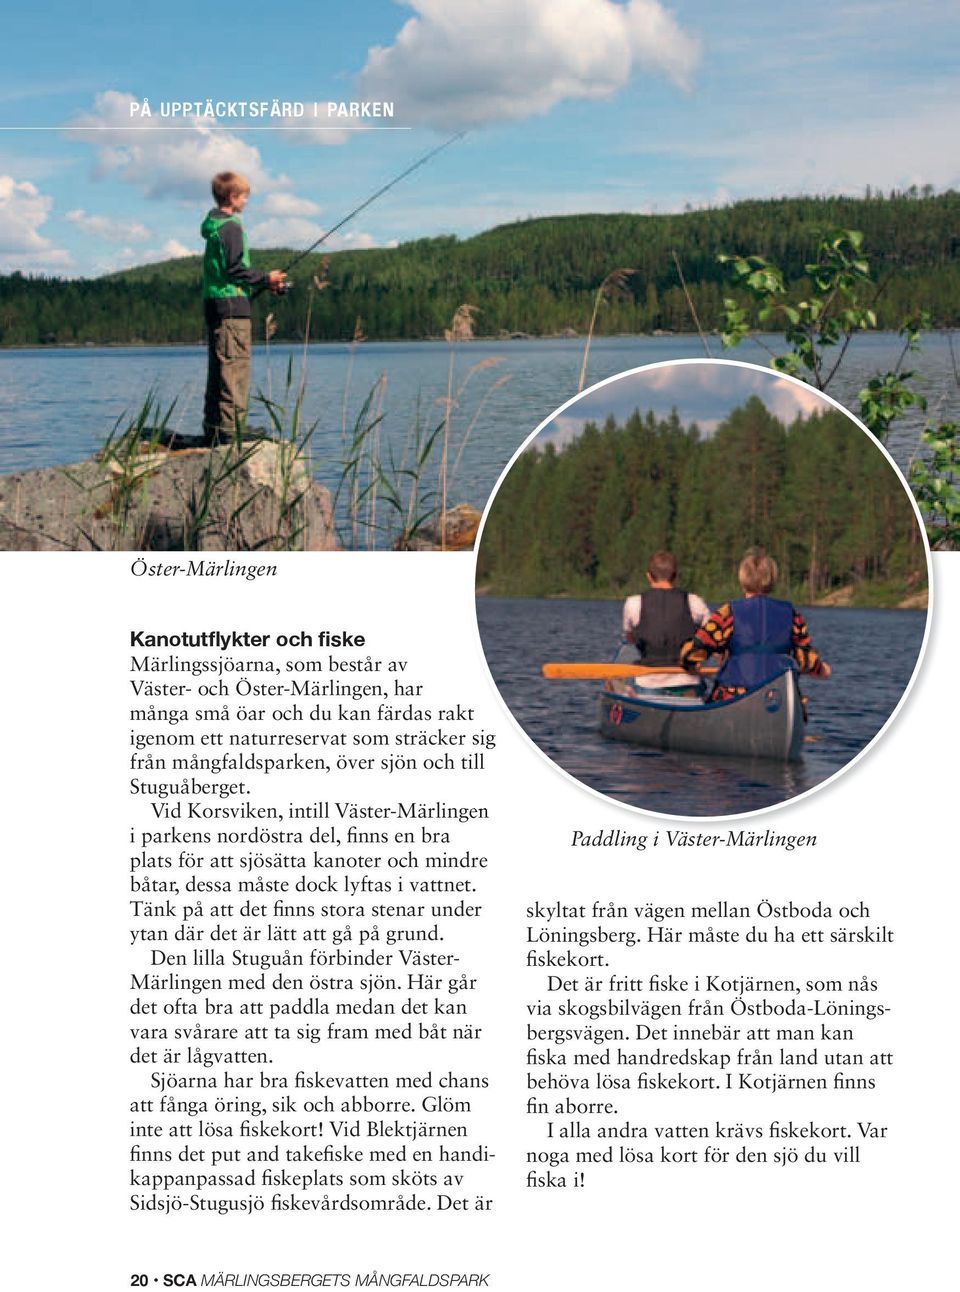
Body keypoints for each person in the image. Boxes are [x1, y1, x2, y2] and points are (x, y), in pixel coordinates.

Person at [201, 171, 287, 444]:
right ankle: (230, 431)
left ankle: (214, 426)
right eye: (244, 196)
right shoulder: (231, 227)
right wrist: (267, 278)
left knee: (220, 366)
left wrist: (262, 284)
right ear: (231, 197)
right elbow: (236, 269)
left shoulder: (214, 226)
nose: (247, 201)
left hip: (217, 303)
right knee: (235, 369)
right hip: (231, 309)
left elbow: (228, 273)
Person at [680, 549, 831, 703]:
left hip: (736, 695)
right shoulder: (791, 614)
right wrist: (822, 669)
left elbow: (693, 651)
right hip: (778, 696)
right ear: (772, 579)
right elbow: (806, 660)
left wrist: (690, 666)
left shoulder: (728, 613)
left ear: (743, 579)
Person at [617, 550, 711, 702]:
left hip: (648, 681)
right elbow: (711, 638)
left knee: (616, 684)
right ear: (675, 576)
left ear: (649, 576)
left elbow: (630, 638)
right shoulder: (695, 602)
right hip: (687, 681)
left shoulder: (634, 603)